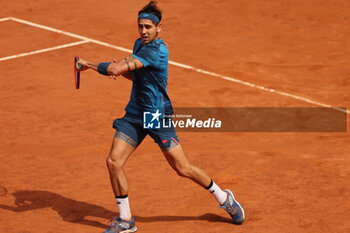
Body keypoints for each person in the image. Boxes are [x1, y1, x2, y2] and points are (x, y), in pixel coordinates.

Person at [77, 1, 245, 232]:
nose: (143, 31)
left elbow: (116, 69)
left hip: (157, 115)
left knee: (182, 168)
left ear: (158, 28)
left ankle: (223, 197)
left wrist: (91, 65)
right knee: (114, 162)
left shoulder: (157, 50)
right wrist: (122, 69)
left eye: (148, 27)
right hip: (135, 113)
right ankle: (126, 220)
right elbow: (138, 78)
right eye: (140, 26)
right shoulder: (139, 44)